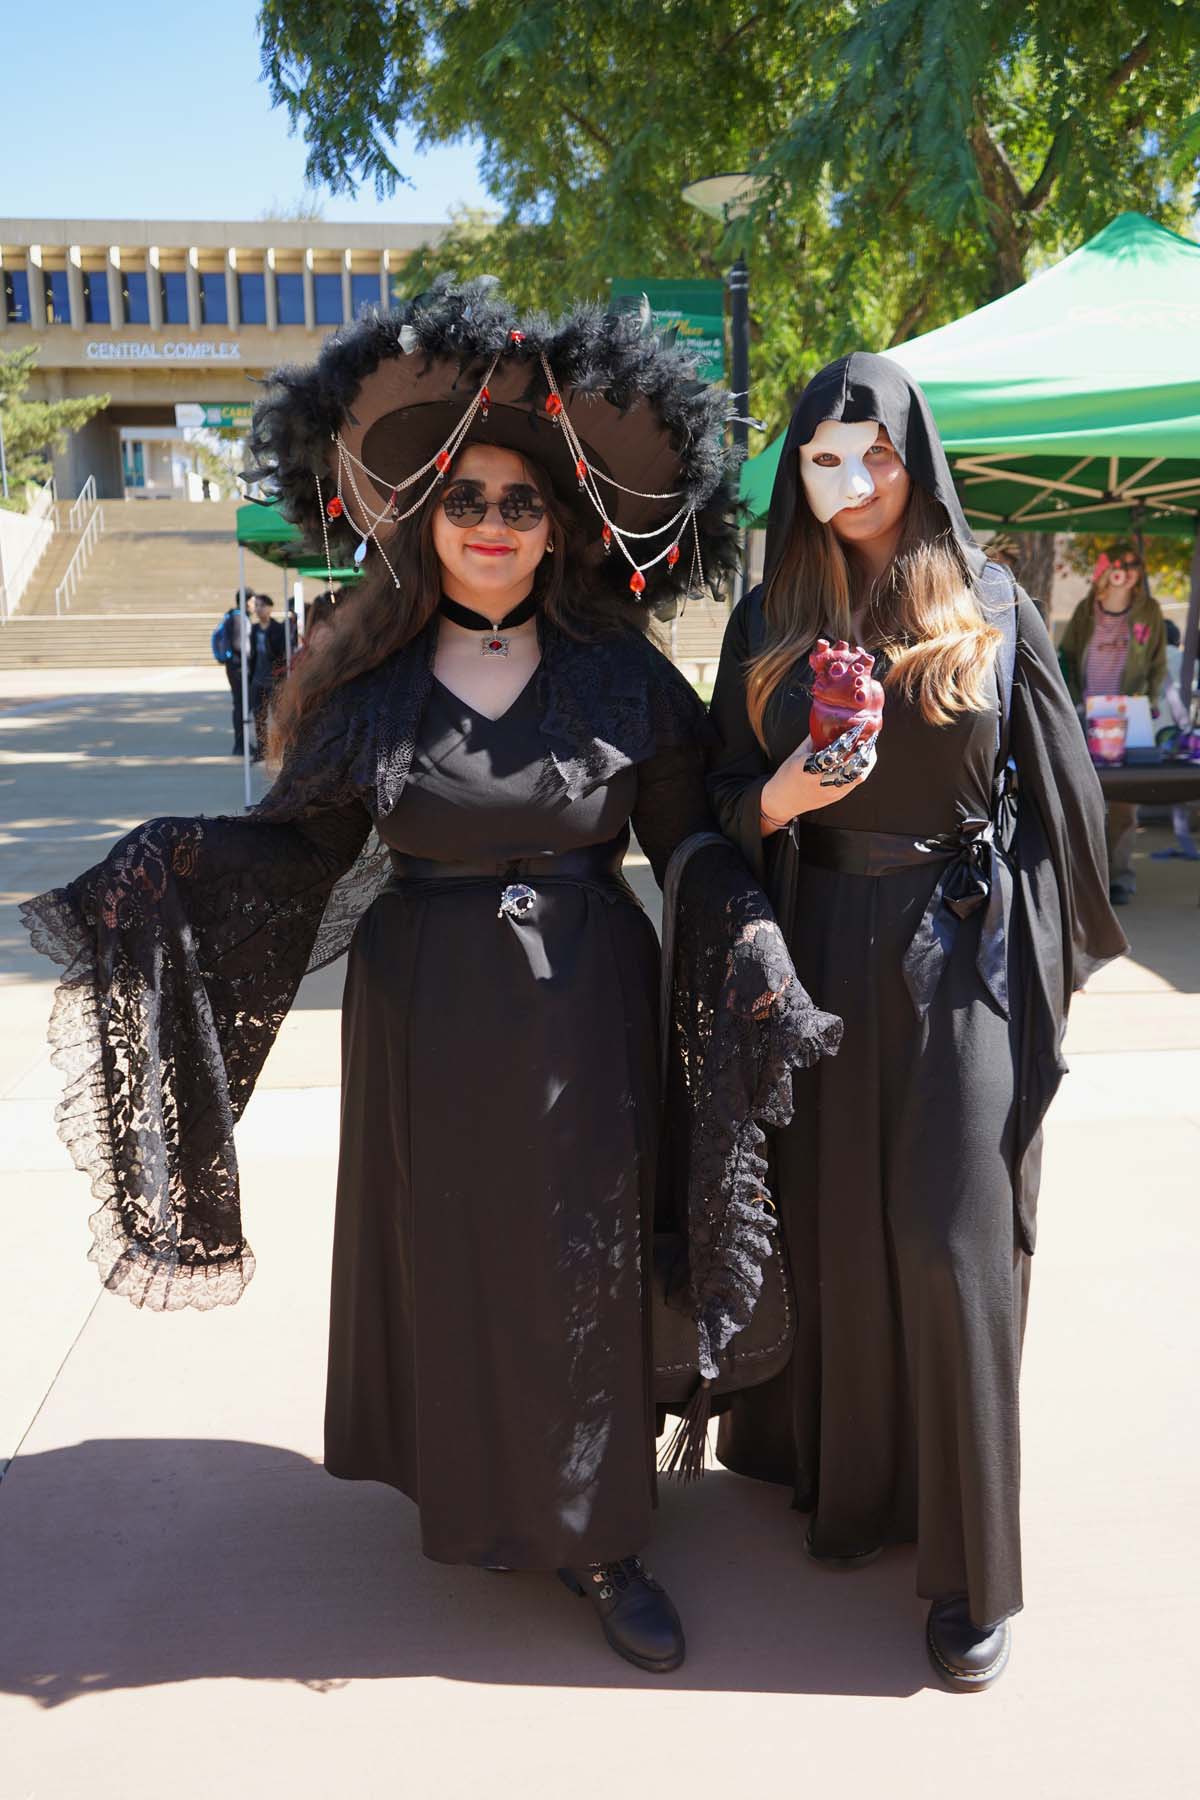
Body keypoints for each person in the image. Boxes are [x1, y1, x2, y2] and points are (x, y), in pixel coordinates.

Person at [20, 285, 834, 1677]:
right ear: (425, 516)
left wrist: (746, 921)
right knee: (468, 1264)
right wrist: (167, 866)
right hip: (428, 1026)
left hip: (591, 1013)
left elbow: (686, 836)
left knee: (582, 1261)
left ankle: (604, 1534)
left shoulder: (622, 677)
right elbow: (300, 853)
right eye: (468, 499)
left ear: (561, 522)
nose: (494, 524)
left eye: (522, 501)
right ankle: (484, 1494)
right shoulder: (367, 691)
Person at [706, 352, 1126, 1691]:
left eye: (875, 452)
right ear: (797, 469)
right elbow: (712, 806)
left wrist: (1030, 959)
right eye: (824, 458)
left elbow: (1065, 801)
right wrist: (782, 797)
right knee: (830, 1221)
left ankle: (972, 1572)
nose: (854, 481)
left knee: (950, 1235)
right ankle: (850, 1481)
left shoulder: (996, 601)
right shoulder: (766, 612)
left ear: (916, 453)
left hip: (957, 948)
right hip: (817, 939)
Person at [1059, 544, 1169, 904]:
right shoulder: (1085, 610)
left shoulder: (1149, 611)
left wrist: (1149, 701)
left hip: (1129, 714)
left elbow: (1157, 661)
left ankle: (1120, 877)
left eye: (1135, 566)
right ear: (1107, 571)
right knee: (1083, 794)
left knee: (1124, 800)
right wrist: (1072, 700)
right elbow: (1068, 656)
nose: (1129, 573)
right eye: (1122, 566)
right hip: (1087, 713)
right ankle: (1086, 875)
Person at [248, 594, 288, 762]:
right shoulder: (254, 630)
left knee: (278, 716)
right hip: (258, 679)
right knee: (259, 716)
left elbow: (282, 653)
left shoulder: (278, 629)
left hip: (274, 679)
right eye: (256, 605)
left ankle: (281, 749)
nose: (258, 609)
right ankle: (261, 749)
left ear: (270, 608)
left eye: (261, 605)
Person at [211, 594, 252, 756]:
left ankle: (241, 743)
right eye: (253, 601)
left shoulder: (235, 616)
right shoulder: (237, 618)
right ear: (246, 602)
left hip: (234, 666)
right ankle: (241, 744)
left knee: (240, 705)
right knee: (241, 705)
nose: (254, 605)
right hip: (238, 667)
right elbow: (238, 644)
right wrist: (251, 654)